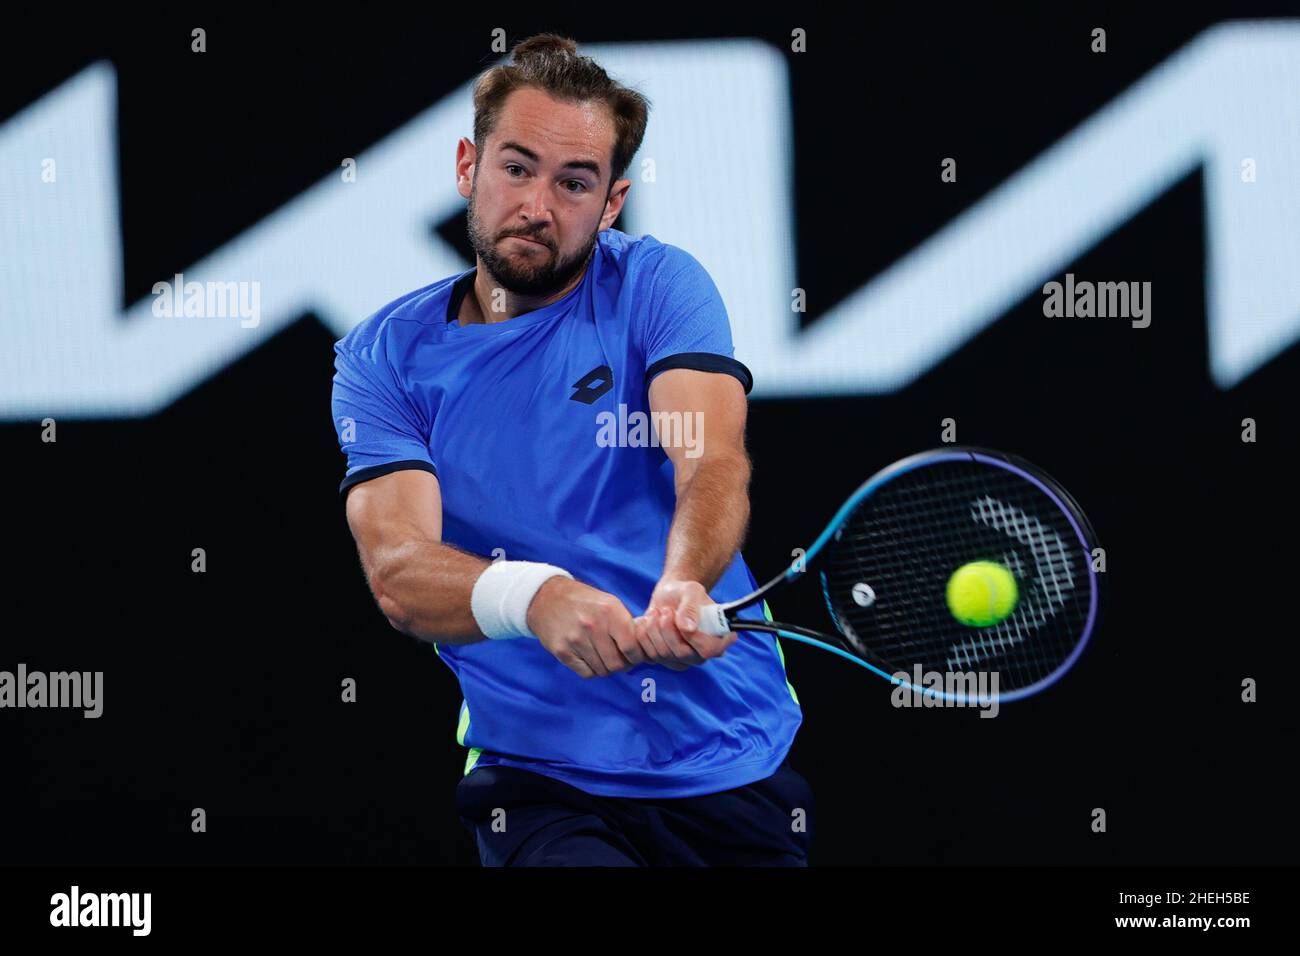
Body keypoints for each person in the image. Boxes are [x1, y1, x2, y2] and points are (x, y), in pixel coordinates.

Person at [332, 33, 812, 866]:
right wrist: (537, 595)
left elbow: (710, 457)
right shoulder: (383, 356)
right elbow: (399, 572)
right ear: (465, 168)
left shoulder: (660, 286)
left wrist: (683, 580)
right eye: (515, 168)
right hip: (537, 778)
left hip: (729, 756)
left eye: (575, 182)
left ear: (613, 201)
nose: (538, 204)